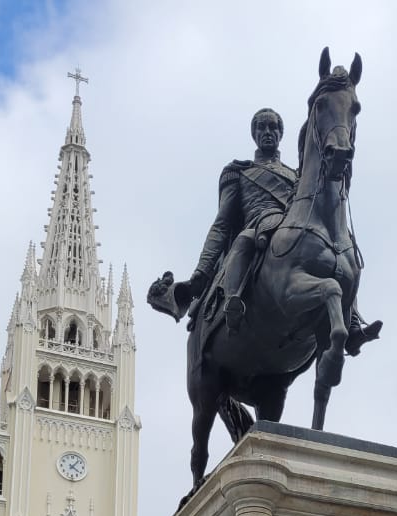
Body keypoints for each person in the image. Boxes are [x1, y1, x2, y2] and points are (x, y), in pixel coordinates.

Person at [153, 108, 379, 351]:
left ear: (281, 134)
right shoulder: (239, 171)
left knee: (340, 244)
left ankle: (351, 318)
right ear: (254, 134)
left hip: (294, 230)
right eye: (262, 127)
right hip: (258, 229)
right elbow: (222, 224)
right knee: (244, 239)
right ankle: (233, 302)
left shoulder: (296, 176)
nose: (267, 132)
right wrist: (201, 271)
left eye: (273, 127)